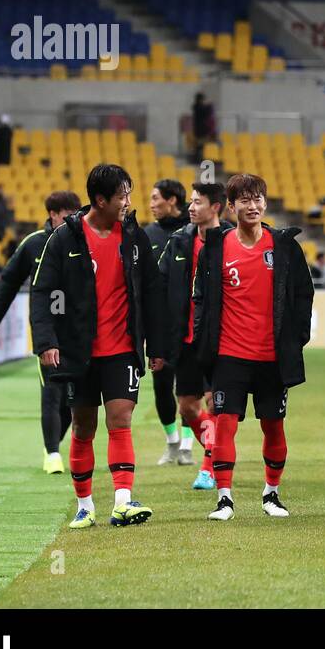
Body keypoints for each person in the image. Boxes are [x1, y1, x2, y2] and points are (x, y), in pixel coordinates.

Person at [30, 164, 165, 529]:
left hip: (121, 348)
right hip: (78, 351)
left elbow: (152, 291)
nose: (128, 202)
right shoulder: (66, 239)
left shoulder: (134, 238)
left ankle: (123, 501)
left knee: (120, 419)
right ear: (101, 200)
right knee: (83, 426)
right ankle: (85, 506)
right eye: (122, 196)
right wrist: (46, 341)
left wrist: (159, 345)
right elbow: (42, 292)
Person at [191, 173, 314, 521]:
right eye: (244, 200)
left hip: (272, 357)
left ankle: (271, 494)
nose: (253, 205)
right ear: (231, 207)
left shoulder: (284, 246)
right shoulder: (216, 247)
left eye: (258, 198)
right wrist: (204, 340)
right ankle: (225, 499)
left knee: (273, 426)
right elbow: (200, 298)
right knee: (224, 423)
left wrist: (295, 339)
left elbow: (304, 293)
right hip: (229, 355)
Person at [0, 190, 82, 474]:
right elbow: (9, 282)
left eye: (76, 215)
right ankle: (52, 454)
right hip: (46, 329)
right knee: (51, 391)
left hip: (77, 331)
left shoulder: (83, 239)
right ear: (53, 215)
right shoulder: (33, 244)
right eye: (67, 215)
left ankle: (54, 443)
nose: (73, 220)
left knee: (70, 398)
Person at [160, 182, 232, 491]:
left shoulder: (231, 240)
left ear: (215, 207)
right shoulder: (179, 242)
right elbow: (159, 287)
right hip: (186, 340)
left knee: (215, 404)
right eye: (190, 202)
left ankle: (207, 467)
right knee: (187, 407)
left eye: (197, 202)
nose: (191, 207)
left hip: (221, 339)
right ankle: (214, 453)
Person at [144, 178, 191, 466]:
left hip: (187, 324)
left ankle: (187, 444)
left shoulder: (194, 232)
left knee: (188, 387)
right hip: (158, 326)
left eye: (155, 199)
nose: (151, 205)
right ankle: (171, 440)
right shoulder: (146, 234)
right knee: (162, 387)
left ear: (172, 200)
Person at [191, 93, 216, 162]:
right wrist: (210, 105)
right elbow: (207, 112)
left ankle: (199, 158)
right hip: (200, 131)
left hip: (201, 131)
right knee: (200, 146)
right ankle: (197, 159)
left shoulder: (197, 107)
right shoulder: (198, 107)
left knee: (201, 146)